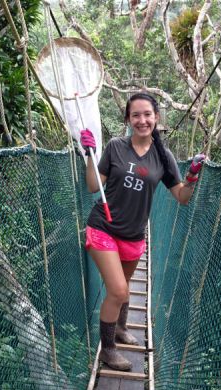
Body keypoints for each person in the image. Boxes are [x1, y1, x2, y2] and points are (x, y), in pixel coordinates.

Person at [80, 92, 205, 371]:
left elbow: (182, 196)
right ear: (128, 119)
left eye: (147, 114)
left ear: (156, 118)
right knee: (119, 290)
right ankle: (108, 350)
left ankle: (121, 328)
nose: (142, 120)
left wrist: (193, 176)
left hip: (134, 235)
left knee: (122, 293)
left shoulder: (163, 157)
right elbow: (92, 185)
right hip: (103, 227)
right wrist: (89, 155)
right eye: (135, 115)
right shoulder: (115, 147)